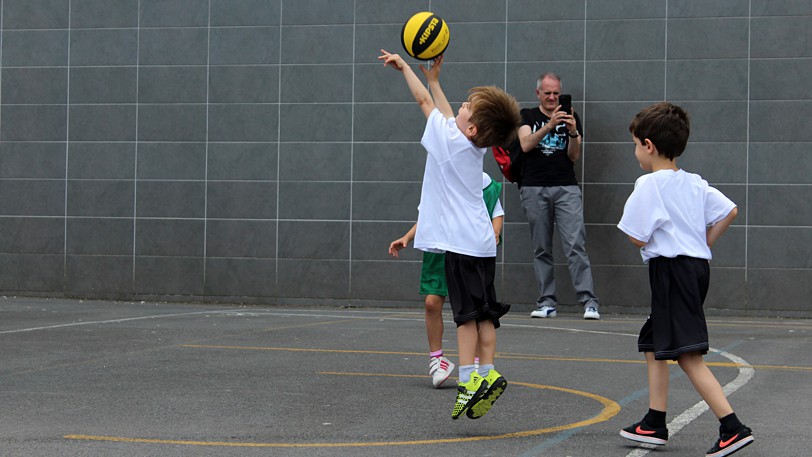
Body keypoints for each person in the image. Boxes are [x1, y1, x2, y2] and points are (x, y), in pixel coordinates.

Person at [378, 49, 520, 420]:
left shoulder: (450, 144)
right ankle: (488, 373)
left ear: (471, 128)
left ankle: (469, 379)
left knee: (465, 316)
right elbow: (443, 112)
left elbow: (426, 104)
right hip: (484, 244)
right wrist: (435, 78)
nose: (459, 106)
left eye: (466, 108)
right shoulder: (473, 148)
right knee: (486, 314)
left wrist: (407, 69)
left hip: (461, 245)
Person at [617, 102, 753, 457]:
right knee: (653, 342)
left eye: (635, 145)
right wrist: (704, 241)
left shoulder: (649, 184)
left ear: (647, 145)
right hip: (694, 270)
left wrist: (653, 238)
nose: (635, 153)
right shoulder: (694, 182)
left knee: (689, 355)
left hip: (672, 271)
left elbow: (634, 235)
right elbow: (730, 210)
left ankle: (731, 427)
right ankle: (654, 420)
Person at [388, 172, 505, 389]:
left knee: (477, 310)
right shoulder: (441, 176)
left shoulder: (483, 181)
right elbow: (428, 216)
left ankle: (478, 366)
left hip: (468, 249)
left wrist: (494, 232)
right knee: (432, 302)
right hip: (440, 248)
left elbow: (497, 212)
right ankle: (437, 359)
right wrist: (407, 237)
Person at [517, 73, 600, 320]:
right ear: (538, 94)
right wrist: (550, 125)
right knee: (541, 248)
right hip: (534, 188)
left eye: (556, 93)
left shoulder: (571, 117)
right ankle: (546, 301)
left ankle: (589, 301)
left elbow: (574, 156)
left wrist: (573, 132)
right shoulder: (527, 116)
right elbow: (524, 144)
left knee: (575, 245)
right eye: (548, 93)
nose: (552, 97)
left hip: (566, 187)